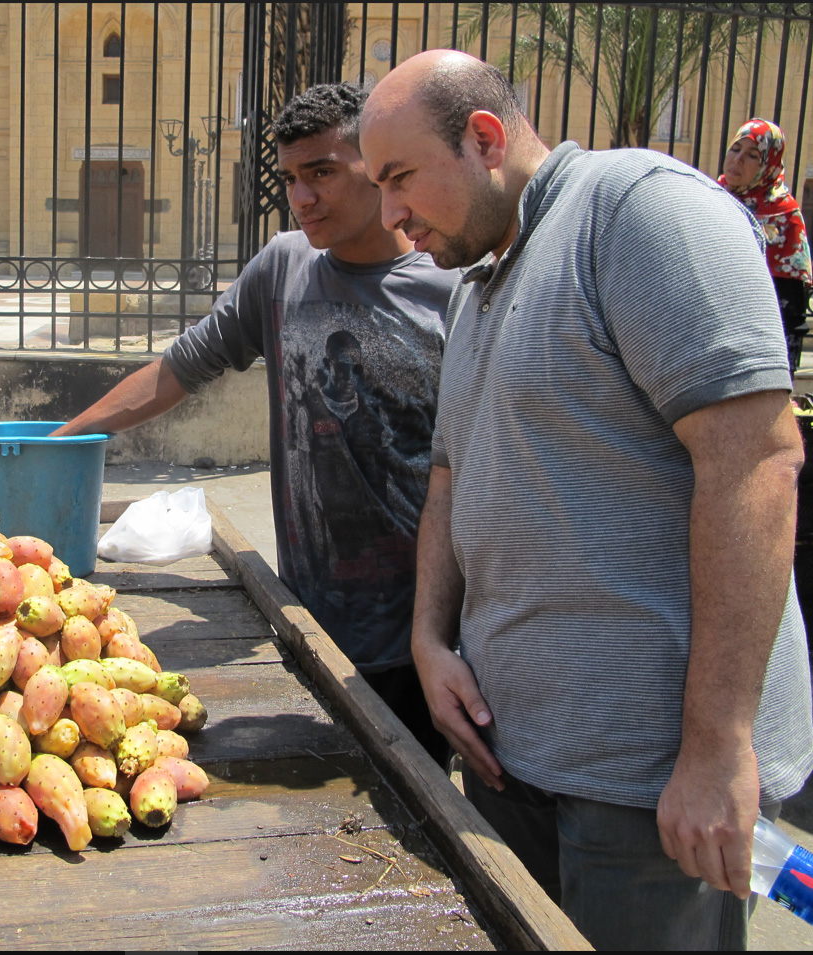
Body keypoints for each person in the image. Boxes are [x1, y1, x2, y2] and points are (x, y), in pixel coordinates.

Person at [360, 49, 813, 950]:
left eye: (399, 177)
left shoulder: (640, 212)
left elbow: (756, 463)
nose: (389, 214)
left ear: (484, 139)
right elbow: (450, 470)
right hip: (511, 757)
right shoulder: (477, 283)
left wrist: (715, 748)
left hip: (649, 789)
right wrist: (429, 639)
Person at [53, 83, 459, 765]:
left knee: (409, 794)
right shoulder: (283, 267)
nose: (302, 197)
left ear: (378, 164)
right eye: (290, 179)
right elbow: (180, 367)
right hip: (305, 617)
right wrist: (60, 441)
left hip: (416, 636)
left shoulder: (451, 289)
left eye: (322, 172)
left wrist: (441, 636)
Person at [719, 118, 812, 376]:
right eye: (735, 149)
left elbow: (790, 308)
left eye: (752, 155)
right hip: (709, 331)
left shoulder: (785, 215)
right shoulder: (711, 196)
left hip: (759, 345)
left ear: (768, 164)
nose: (738, 160)